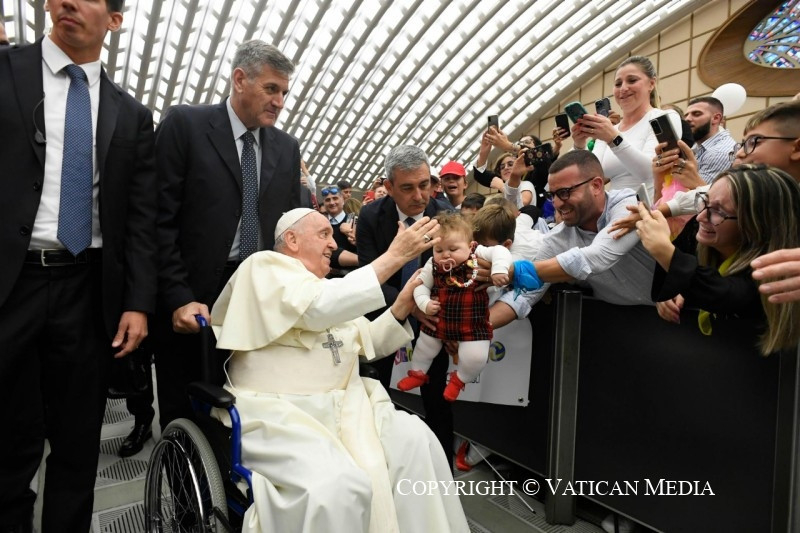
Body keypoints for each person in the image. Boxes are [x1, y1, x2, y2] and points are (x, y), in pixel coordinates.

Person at [210, 208, 469, 533]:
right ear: (292, 239)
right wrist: (394, 257)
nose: (333, 244)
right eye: (324, 234)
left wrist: (402, 305)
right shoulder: (263, 268)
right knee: (338, 487)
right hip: (282, 412)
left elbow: (369, 341)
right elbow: (316, 308)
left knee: (418, 443)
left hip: (351, 406)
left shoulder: (329, 288)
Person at [0, 1, 158, 531]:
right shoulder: (7, 71)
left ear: (114, 19)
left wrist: (137, 302)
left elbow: (140, 218)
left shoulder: (130, 115)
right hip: (10, 283)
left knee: (77, 442)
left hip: (86, 289)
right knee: (9, 442)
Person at [154, 40, 301, 429]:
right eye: (271, 89)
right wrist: (178, 296)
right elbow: (158, 220)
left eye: (284, 93)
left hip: (257, 297)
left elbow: (289, 228)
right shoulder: (185, 126)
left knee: (245, 408)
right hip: (192, 297)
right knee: (186, 410)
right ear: (239, 79)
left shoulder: (287, 148)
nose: (279, 102)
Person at [635, 165, 800, 355]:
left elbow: (728, 294)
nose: (701, 216)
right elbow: (669, 280)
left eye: (718, 211)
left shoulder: (775, 272)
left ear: (755, 224)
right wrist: (673, 289)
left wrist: (667, 254)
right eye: (703, 201)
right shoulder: (698, 229)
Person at [356, 145, 454, 463]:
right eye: (408, 188)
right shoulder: (371, 216)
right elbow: (370, 274)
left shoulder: (446, 215)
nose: (419, 196)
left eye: (424, 184)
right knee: (375, 389)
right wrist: (410, 306)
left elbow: (456, 272)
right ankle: (377, 462)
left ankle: (443, 469)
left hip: (432, 318)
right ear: (389, 187)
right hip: (385, 313)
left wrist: (430, 309)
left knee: (437, 397)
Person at [397, 213, 512, 401]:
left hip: (472, 324)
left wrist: (499, 269)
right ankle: (417, 374)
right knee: (423, 348)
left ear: (470, 245)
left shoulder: (477, 253)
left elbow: (501, 251)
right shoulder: (432, 264)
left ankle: (459, 380)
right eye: (439, 249)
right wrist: (425, 303)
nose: (445, 254)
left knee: (475, 357)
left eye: (453, 249)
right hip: (439, 321)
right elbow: (420, 286)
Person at [523, 150, 656, 305]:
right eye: (552, 195)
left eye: (564, 192)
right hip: (616, 315)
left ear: (596, 186)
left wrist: (520, 271)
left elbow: (597, 256)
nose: (557, 204)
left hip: (672, 309)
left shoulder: (627, 205)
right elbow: (524, 296)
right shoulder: (557, 239)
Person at [571, 55, 681, 197]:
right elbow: (590, 176)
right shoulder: (609, 130)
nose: (623, 88)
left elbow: (649, 173)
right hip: (612, 207)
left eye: (632, 80)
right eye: (618, 84)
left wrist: (613, 139)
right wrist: (579, 146)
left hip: (649, 206)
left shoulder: (663, 117)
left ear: (651, 84)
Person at [684, 97, 737, 183]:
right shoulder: (696, 146)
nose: (687, 119)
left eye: (696, 114)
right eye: (686, 115)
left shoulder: (719, 153)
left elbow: (697, 191)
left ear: (716, 118)